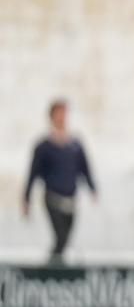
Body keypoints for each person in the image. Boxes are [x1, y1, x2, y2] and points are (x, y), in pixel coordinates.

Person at [23, 99, 97, 264]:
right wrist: (26, 199)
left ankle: (56, 269)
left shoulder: (75, 144)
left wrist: (93, 188)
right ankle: (51, 269)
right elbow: (33, 173)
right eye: (59, 113)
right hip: (53, 198)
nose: (62, 117)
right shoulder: (44, 146)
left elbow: (84, 168)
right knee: (61, 237)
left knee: (65, 240)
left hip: (70, 199)